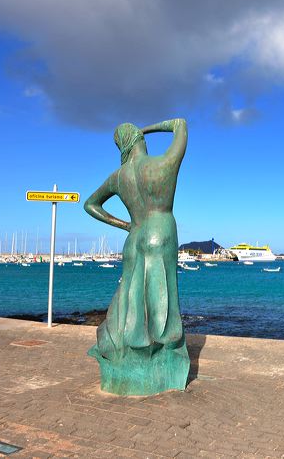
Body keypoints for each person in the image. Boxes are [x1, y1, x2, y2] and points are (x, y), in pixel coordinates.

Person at [84, 119, 190, 390]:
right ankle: (162, 363)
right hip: (160, 230)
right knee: (161, 302)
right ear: (139, 140)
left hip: (134, 238)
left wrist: (125, 225)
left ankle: (122, 355)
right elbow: (180, 126)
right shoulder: (162, 164)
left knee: (130, 299)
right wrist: (148, 129)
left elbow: (90, 205)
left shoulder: (119, 177)